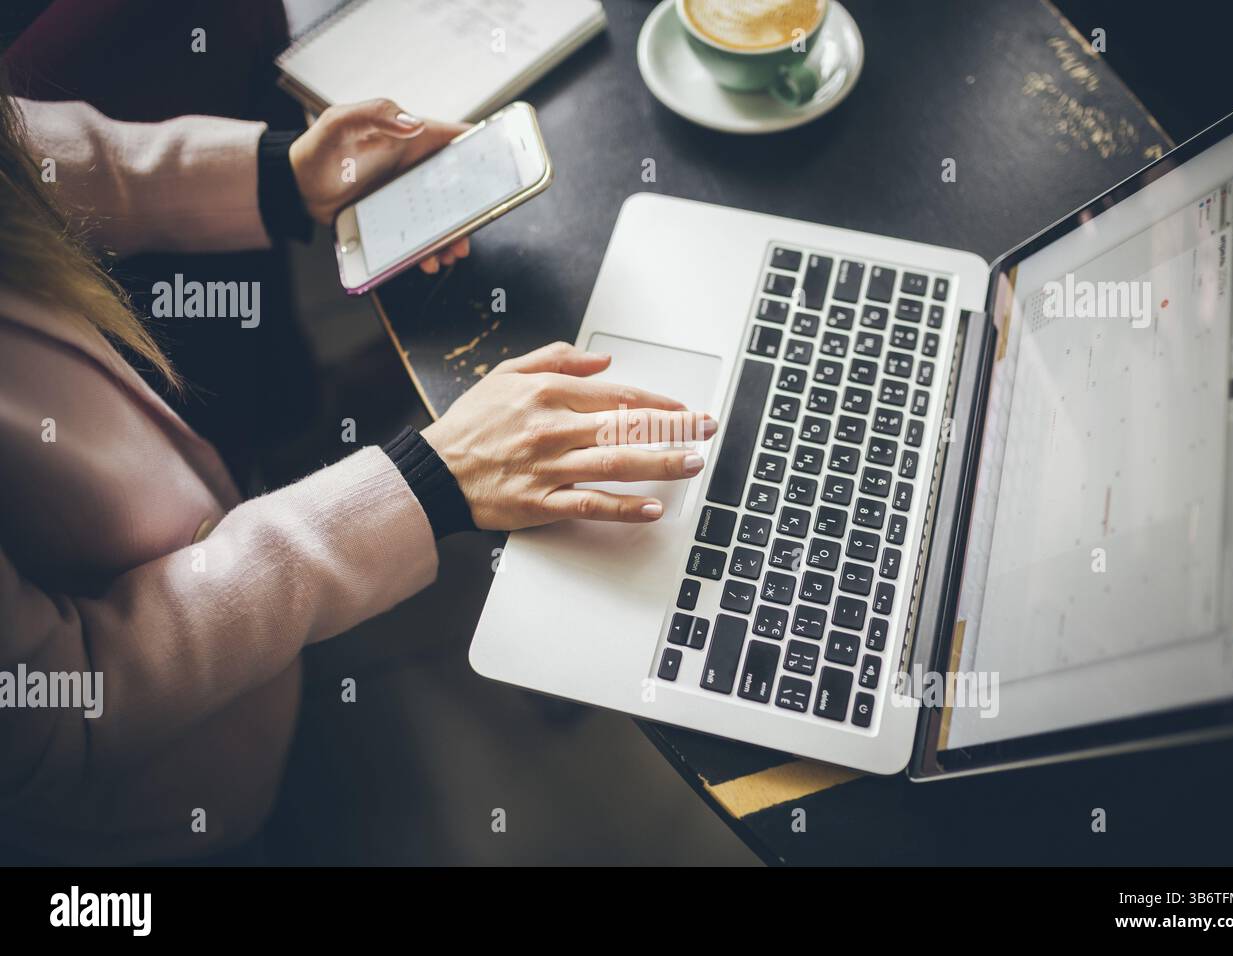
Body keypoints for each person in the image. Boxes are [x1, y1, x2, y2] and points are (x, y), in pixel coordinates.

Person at [0, 87, 715, 863]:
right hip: (161, 816)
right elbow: (58, 711)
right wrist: (427, 482)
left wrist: (283, 176)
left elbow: (33, 158)